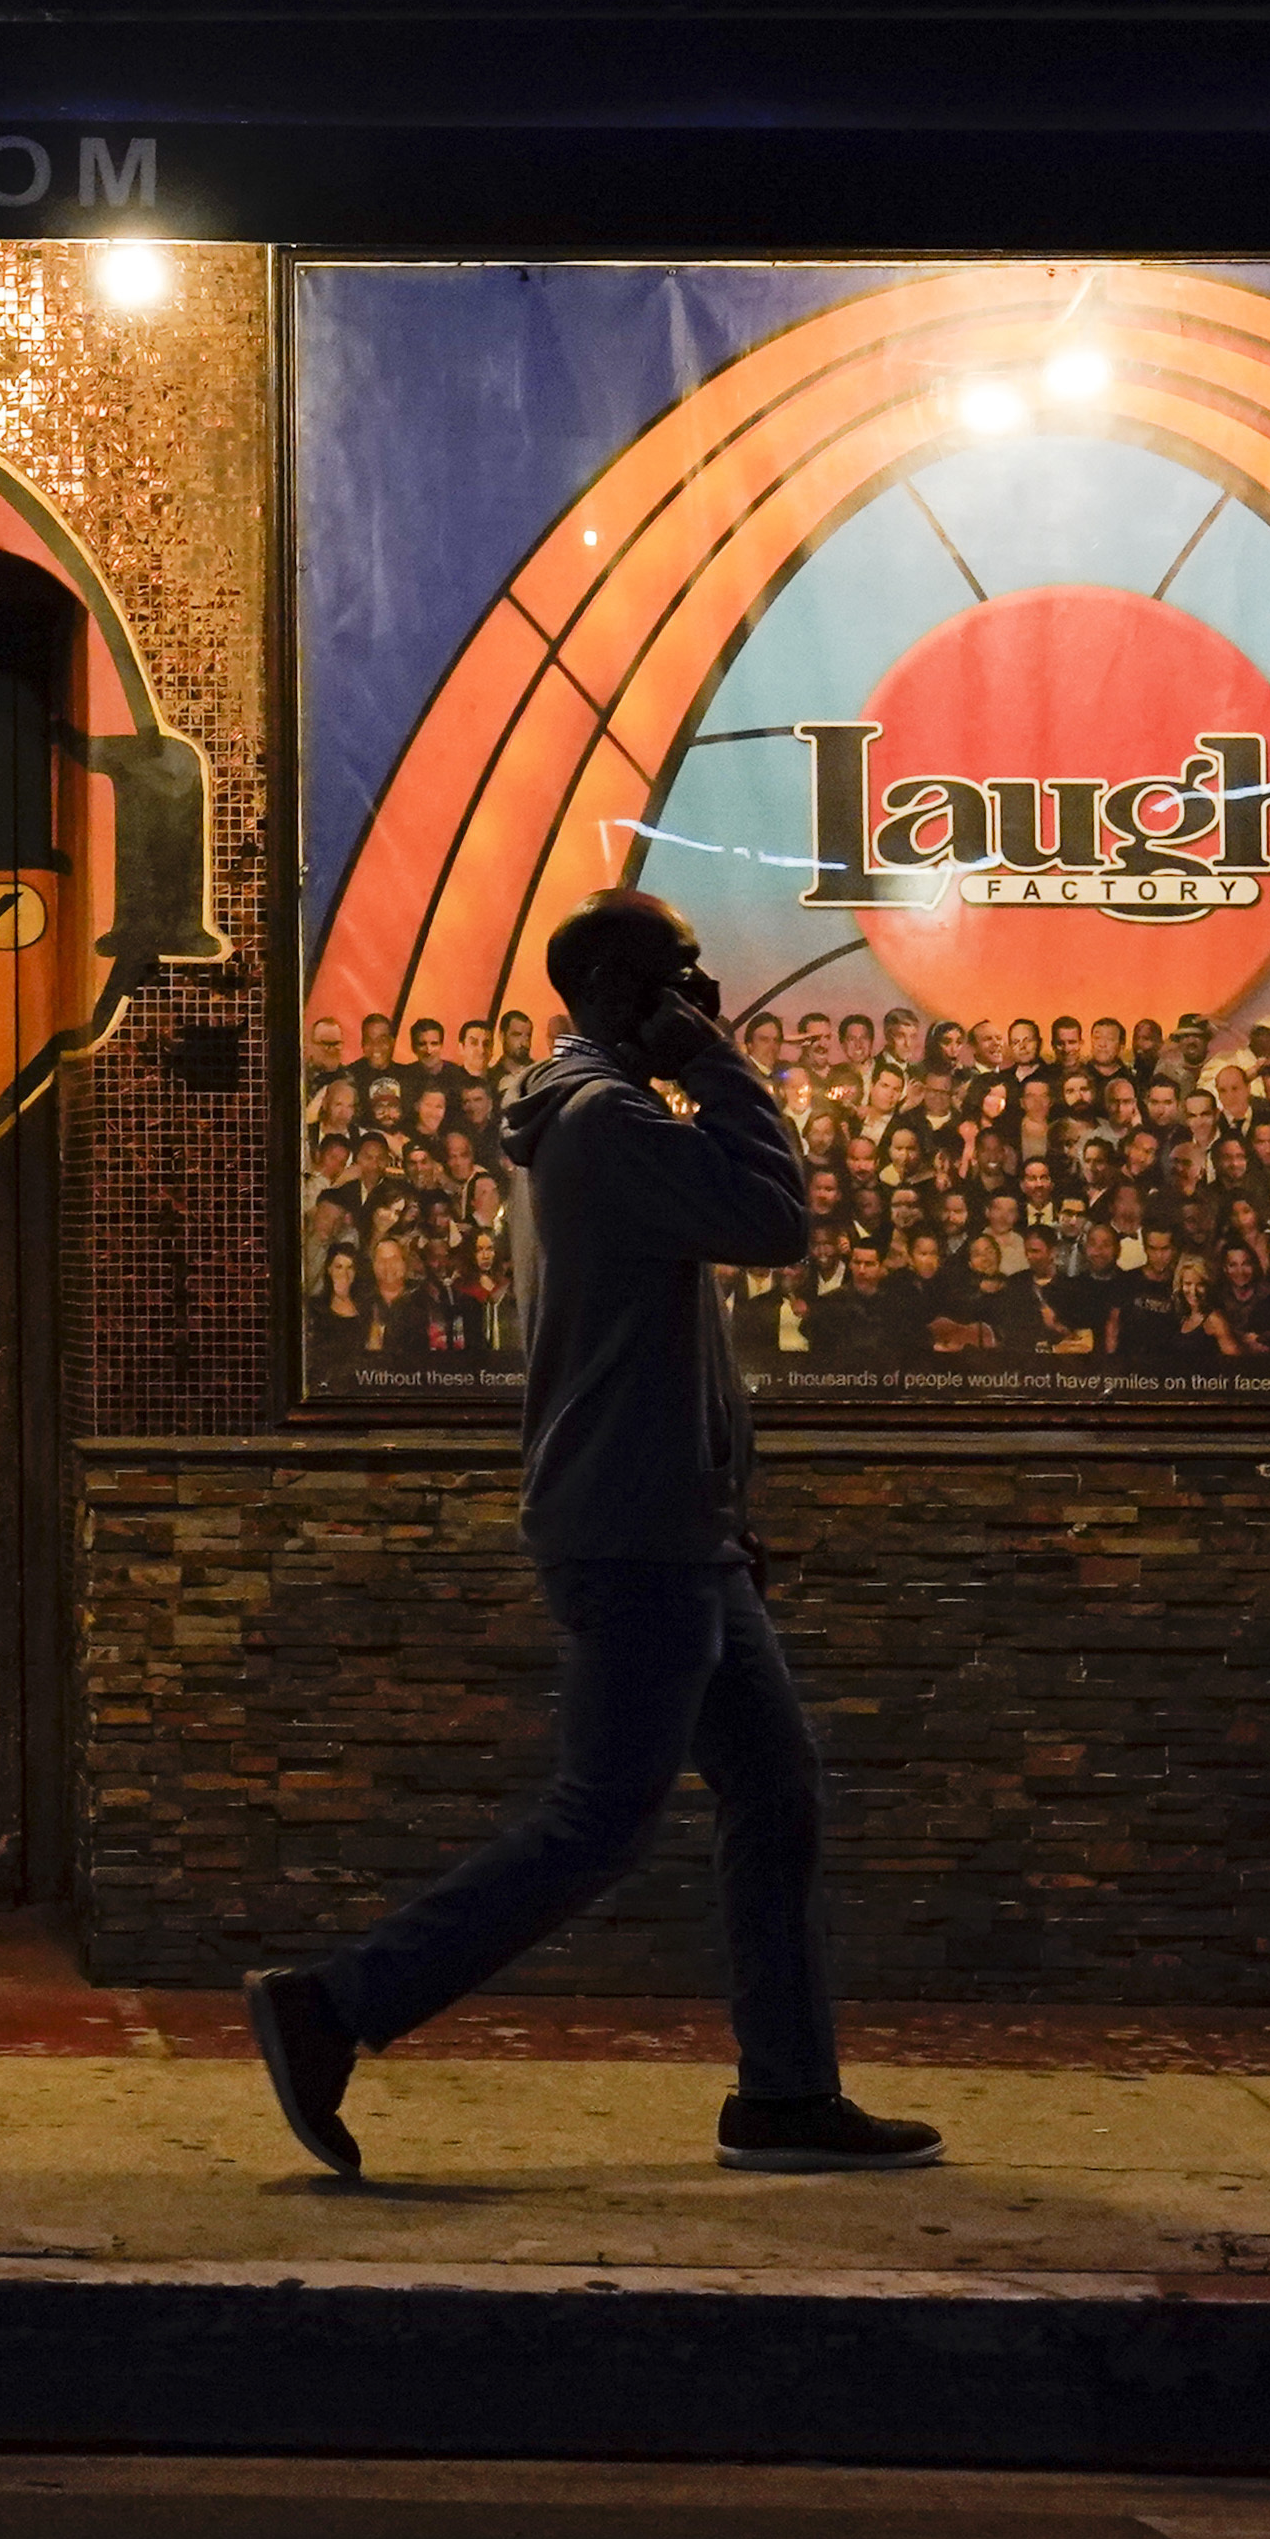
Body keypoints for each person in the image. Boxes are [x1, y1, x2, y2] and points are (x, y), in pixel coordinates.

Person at [246, 888, 937, 2186]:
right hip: (637, 1529)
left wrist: (727, 1516)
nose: (709, 999)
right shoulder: (607, 1121)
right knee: (599, 1823)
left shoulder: (597, 1119)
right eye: (685, 978)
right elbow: (778, 1220)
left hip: (678, 1529)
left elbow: (678, 1344)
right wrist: (716, 1066)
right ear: (626, 992)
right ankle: (331, 2007)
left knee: (776, 1800)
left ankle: (788, 2093)